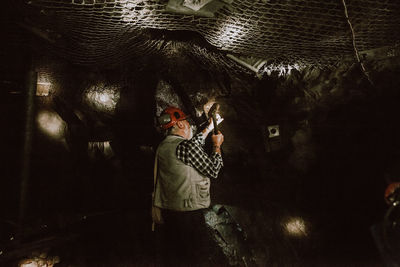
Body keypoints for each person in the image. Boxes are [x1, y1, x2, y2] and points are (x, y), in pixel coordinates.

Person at [152, 106, 224, 266]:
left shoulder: (164, 146)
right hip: (189, 216)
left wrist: (209, 128)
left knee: (177, 256)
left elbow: (191, 145)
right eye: (186, 120)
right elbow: (213, 169)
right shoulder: (186, 147)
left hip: (170, 213)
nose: (189, 124)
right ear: (181, 125)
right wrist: (217, 146)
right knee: (195, 258)